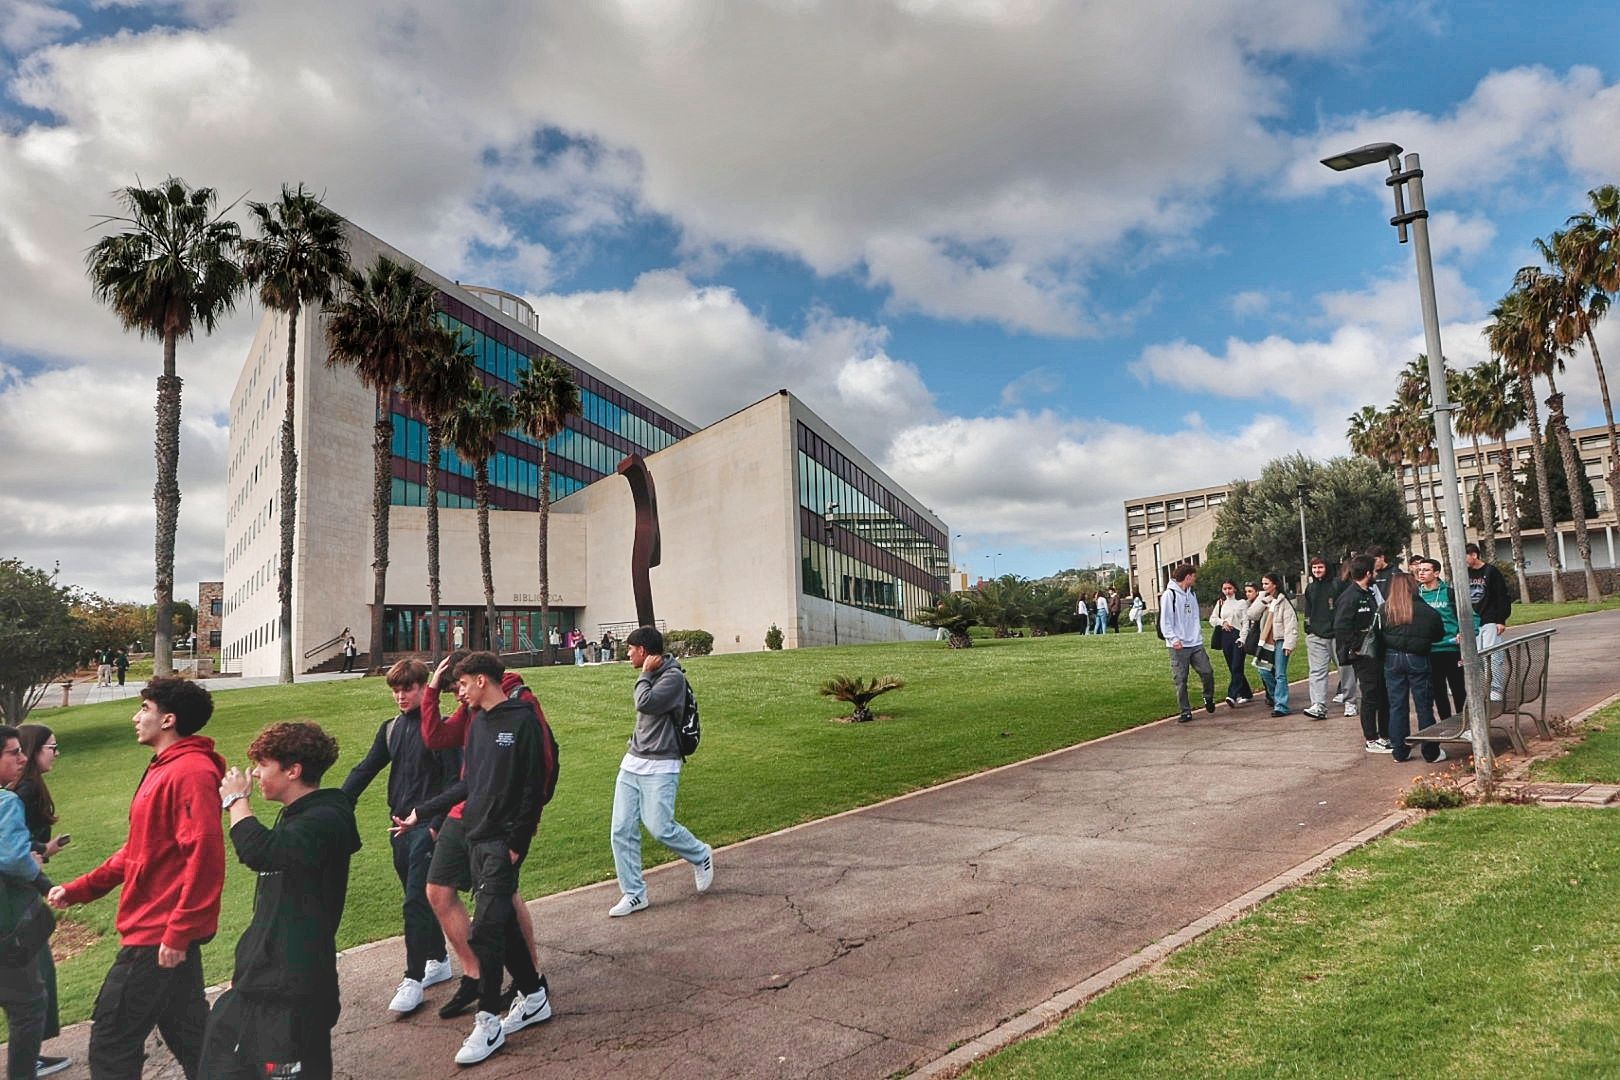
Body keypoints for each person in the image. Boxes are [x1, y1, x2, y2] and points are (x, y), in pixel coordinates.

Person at [48, 678, 226, 1080]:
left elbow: (206, 855)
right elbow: (139, 851)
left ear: (168, 719)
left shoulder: (191, 772)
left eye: (144, 708)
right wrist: (79, 889)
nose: (136, 716)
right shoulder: (165, 768)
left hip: (157, 934)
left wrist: (178, 932)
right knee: (192, 1035)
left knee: (112, 1039)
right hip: (162, 933)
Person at [400, 653, 552, 1066]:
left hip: (503, 841)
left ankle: (487, 1022)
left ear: (481, 680)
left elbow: (533, 784)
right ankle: (535, 996)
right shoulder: (478, 723)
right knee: (498, 922)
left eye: (463, 684)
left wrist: (517, 841)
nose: (459, 692)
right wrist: (424, 811)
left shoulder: (522, 719)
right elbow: (469, 784)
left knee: (486, 929)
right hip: (475, 834)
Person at [200, 722, 359, 1080]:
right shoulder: (299, 816)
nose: (255, 773)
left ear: (293, 770)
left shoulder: (325, 819)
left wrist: (236, 801)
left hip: (295, 986)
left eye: (262, 764)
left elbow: (260, 852)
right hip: (266, 977)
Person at [340, 660, 459, 1015]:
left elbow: (456, 781)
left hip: (427, 827)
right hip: (399, 828)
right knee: (418, 899)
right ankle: (438, 959)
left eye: (407, 689)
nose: (400, 696)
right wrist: (337, 804)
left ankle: (413, 977)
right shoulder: (390, 729)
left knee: (413, 902)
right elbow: (365, 768)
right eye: (396, 690)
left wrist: (436, 823)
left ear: (425, 687)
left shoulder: (440, 728)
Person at [608, 626, 714, 916]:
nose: (627, 653)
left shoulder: (673, 678)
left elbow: (646, 702)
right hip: (633, 761)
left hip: (662, 764)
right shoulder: (654, 675)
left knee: (659, 827)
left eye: (630, 648)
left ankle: (700, 854)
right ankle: (634, 894)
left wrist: (644, 675)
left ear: (643, 651)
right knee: (621, 829)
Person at [10, 726, 70, 1077]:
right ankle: (26, 1058)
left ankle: (29, 1053)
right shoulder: (23, 793)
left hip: (22, 891)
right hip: (19, 895)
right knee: (32, 979)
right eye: (52, 747)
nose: (56, 753)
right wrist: (40, 855)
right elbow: (14, 847)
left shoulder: (21, 791)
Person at [1, 724, 54, 1080]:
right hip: (7, 929)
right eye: (13, 752)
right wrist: (43, 880)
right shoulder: (6, 801)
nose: (22, 759)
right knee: (29, 1006)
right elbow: (13, 858)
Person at [1379, 573, 1445, 764]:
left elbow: (1378, 634)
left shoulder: (1385, 610)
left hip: (1392, 658)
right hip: (1418, 657)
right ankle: (1430, 752)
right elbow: (1438, 633)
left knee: (1397, 706)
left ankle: (1400, 751)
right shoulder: (1427, 610)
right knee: (1424, 706)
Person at [1334, 556, 1391, 754]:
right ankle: (1371, 738)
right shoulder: (1350, 597)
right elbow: (1341, 627)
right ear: (1368, 573)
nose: (1376, 574)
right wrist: (1356, 648)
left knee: (1383, 694)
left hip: (1376, 652)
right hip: (1363, 655)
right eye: (1374, 571)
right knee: (1370, 695)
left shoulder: (1368, 593)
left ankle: (1385, 735)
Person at [1413, 556, 1470, 731]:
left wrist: (1465, 633)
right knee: (1438, 692)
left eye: (1426, 570)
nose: (1421, 573)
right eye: (1419, 570)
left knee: (1459, 689)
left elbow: (1470, 617)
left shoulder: (1450, 593)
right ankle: (1447, 724)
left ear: (1436, 573)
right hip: (1429, 651)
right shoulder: (1416, 595)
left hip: (1451, 648)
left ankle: (1464, 724)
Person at [1159, 564, 1216, 724]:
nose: (1195, 579)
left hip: (1195, 642)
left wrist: (1198, 635)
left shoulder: (1192, 594)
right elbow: (1166, 620)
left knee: (1207, 672)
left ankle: (1208, 697)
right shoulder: (1170, 595)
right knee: (1181, 679)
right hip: (1178, 645)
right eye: (1194, 576)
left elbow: (1195, 617)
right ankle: (1185, 711)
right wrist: (1173, 639)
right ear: (1188, 576)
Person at [1301, 556, 1346, 720]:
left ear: (1326, 568)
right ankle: (1318, 704)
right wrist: (1308, 627)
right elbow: (1308, 609)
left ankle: (1350, 700)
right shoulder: (1311, 588)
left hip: (1336, 635)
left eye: (1320, 567)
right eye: (1314, 568)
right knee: (1317, 671)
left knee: (1345, 669)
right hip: (1316, 635)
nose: (1317, 571)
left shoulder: (1337, 585)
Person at [1466, 543, 1512, 700]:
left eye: (1465, 556)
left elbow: (1502, 596)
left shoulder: (1491, 571)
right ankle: (1479, 687)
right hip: (1472, 621)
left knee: (1493, 655)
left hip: (1490, 618)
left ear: (1474, 555)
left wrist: (1501, 620)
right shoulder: (1464, 573)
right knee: (1476, 656)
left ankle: (1496, 689)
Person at [1248, 573, 1297, 717]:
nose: (1264, 586)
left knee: (1280, 674)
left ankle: (1281, 706)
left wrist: (1289, 644)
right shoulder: (1263, 598)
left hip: (1280, 640)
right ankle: (1277, 696)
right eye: (1262, 584)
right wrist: (1263, 601)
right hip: (1265, 641)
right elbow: (1251, 615)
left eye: (1267, 584)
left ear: (1274, 584)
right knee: (1263, 670)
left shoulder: (1284, 602)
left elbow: (1291, 624)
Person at [1209, 581, 1252, 708]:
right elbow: (1213, 618)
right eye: (1225, 588)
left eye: (1230, 588)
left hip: (1237, 635)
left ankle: (1232, 695)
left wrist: (1242, 638)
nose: (1227, 591)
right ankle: (1246, 692)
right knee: (1232, 666)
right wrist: (1222, 622)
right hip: (1225, 637)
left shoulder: (1241, 603)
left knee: (1237, 665)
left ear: (1235, 589)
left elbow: (1245, 622)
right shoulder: (1221, 603)